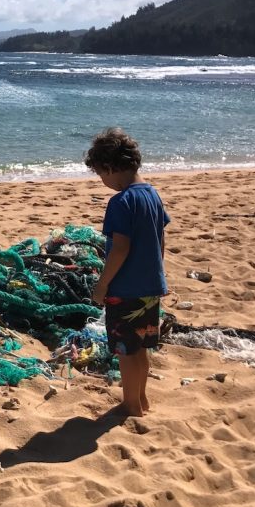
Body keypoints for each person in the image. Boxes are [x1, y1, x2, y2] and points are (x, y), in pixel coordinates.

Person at [84, 127, 169, 417]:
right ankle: (142, 399)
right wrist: (157, 272)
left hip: (125, 290)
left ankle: (130, 404)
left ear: (109, 167)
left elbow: (120, 247)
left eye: (100, 174)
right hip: (150, 285)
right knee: (141, 348)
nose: (103, 181)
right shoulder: (152, 195)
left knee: (125, 350)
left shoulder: (120, 202)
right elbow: (161, 239)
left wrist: (102, 285)